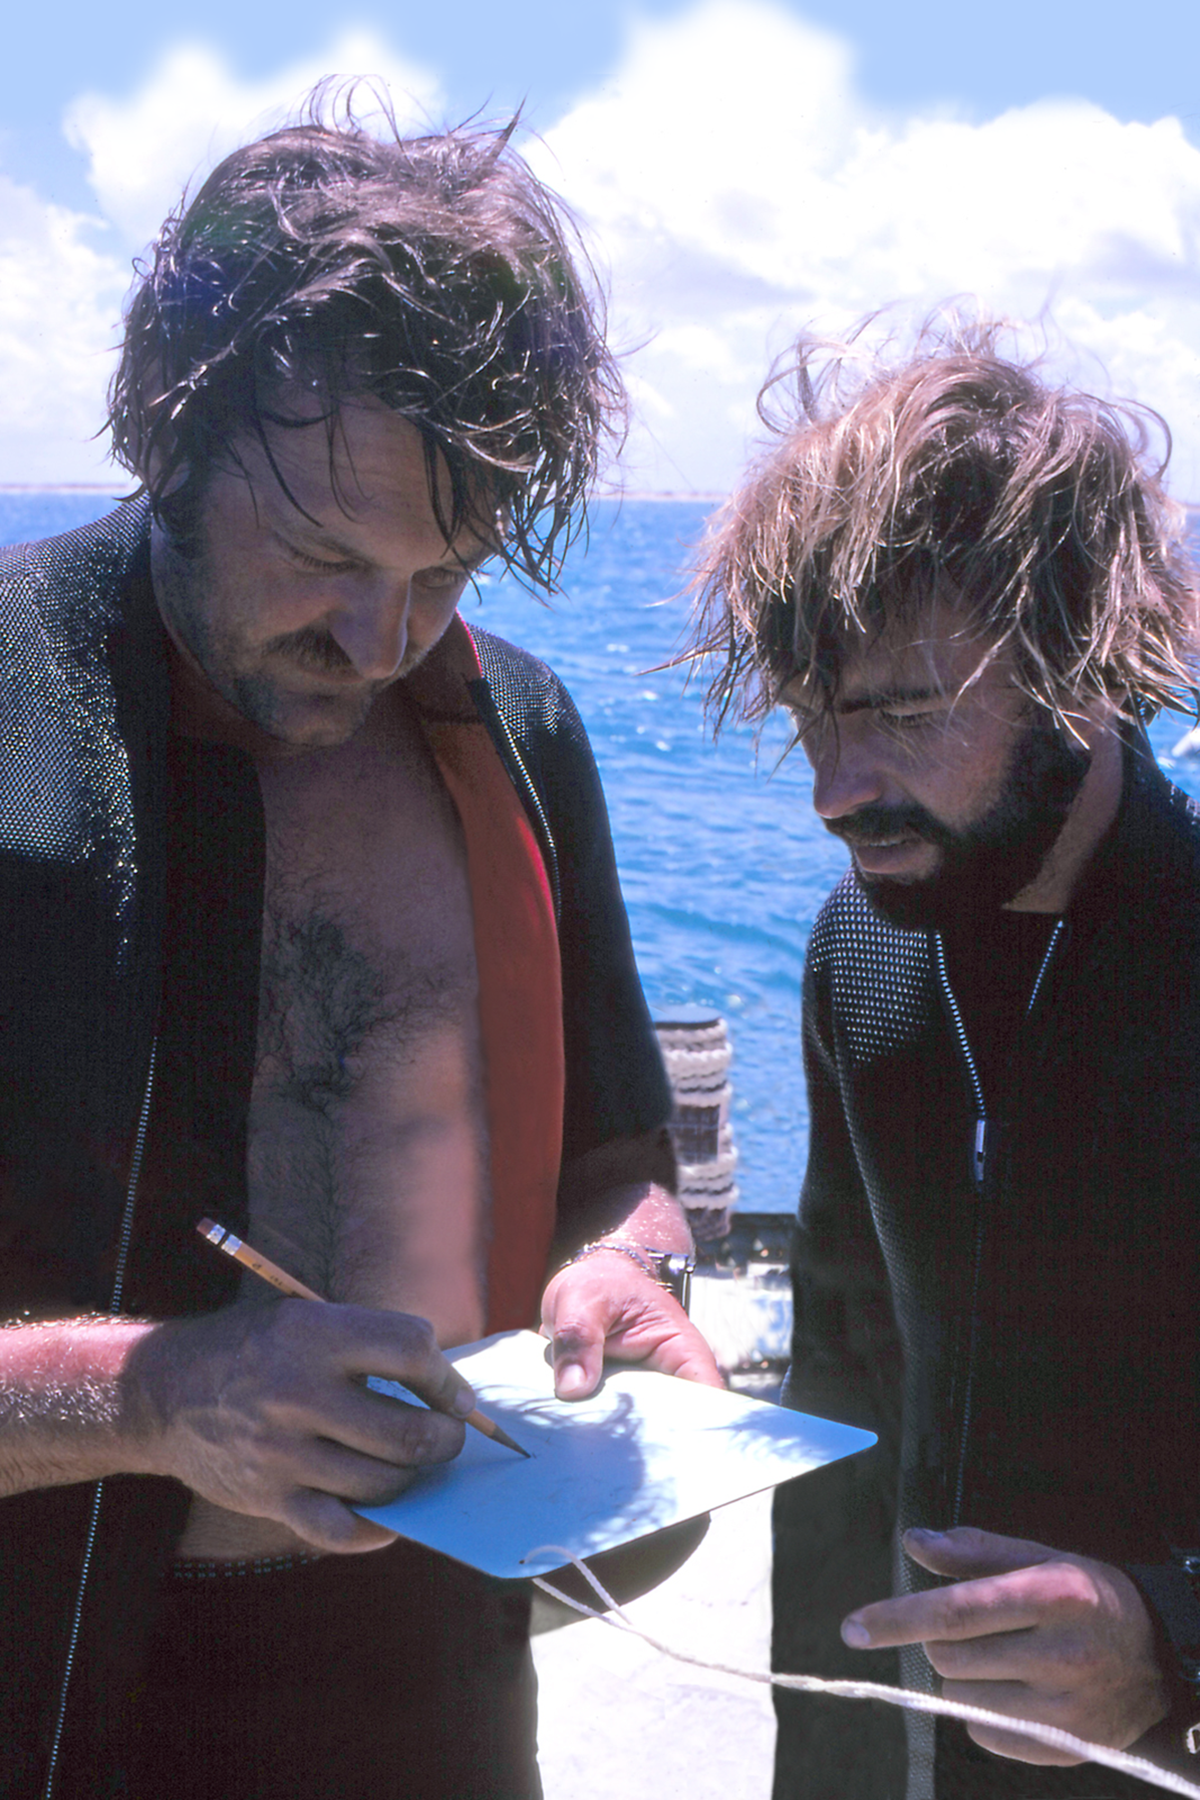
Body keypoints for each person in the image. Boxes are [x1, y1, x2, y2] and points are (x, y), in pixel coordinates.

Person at [0, 97, 722, 1800]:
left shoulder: (523, 732)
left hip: (441, 1698)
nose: (382, 640)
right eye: (327, 556)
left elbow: (622, 1152)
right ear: (171, 432)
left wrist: (633, 1267)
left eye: (448, 572)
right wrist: (154, 1398)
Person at [689, 319, 1200, 1799]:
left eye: (905, 713)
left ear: (1087, 665)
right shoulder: (863, 951)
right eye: (809, 719)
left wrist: (1169, 1640)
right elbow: (847, 1379)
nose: (836, 792)